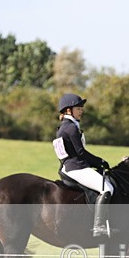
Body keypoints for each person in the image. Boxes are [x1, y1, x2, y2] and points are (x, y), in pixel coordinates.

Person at [53, 93, 115, 237]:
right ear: (68, 110)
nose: (81, 111)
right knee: (107, 188)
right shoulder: (71, 128)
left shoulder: (64, 127)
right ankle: (99, 226)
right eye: (78, 108)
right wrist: (100, 161)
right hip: (77, 168)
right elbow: (81, 152)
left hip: (69, 167)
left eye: (81, 108)